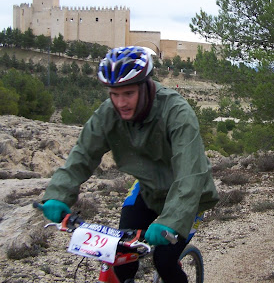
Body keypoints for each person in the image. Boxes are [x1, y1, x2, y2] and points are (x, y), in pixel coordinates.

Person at [39, 46, 219, 283]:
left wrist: (170, 221)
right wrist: (59, 194)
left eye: (128, 94)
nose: (120, 102)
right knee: (119, 256)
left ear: (145, 87)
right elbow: (83, 153)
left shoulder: (176, 113)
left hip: (192, 194)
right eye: (114, 94)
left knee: (164, 261)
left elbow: (190, 173)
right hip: (148, 188)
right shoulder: (108, 113)